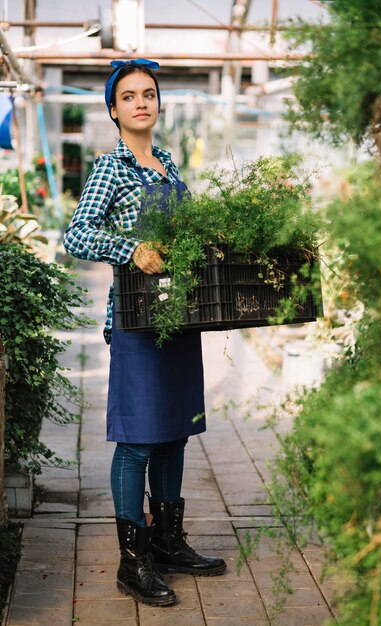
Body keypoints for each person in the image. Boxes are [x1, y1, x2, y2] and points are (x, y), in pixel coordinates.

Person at [63, 58, 226, 607]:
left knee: (175, 432)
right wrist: (130, 247)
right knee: (137, 440)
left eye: (149, 93)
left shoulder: (168, 165)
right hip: (136, 320)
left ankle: (167, 540)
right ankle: (133, 563)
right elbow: (77, 233)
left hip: (177, 316)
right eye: (129, 96)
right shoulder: (111, 169)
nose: (141, 102)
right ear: (114, 110)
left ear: (159, 104)